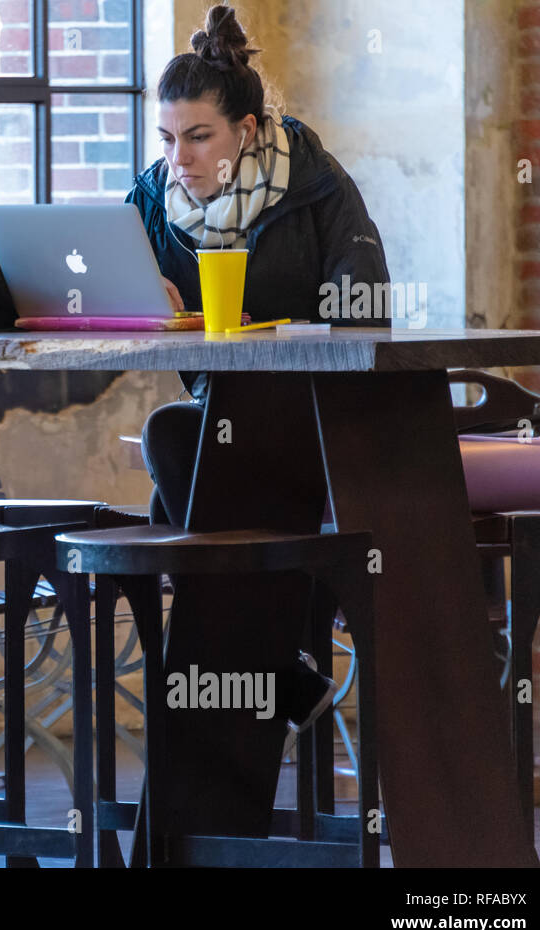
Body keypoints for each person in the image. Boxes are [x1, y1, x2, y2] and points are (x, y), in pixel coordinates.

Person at [125, 5, 390, 838]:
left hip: (319, 418)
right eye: (166, 138)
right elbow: (97, 268)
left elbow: (370, 299)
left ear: (246, 128)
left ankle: (280, 662)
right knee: (178, 434)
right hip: (225, 423)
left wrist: (303, 323)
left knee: (188, 451)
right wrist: (142, 299)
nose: (179, 159)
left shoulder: (313, 183)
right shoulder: (156, 199)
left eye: (197, 137)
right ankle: (286, 667)